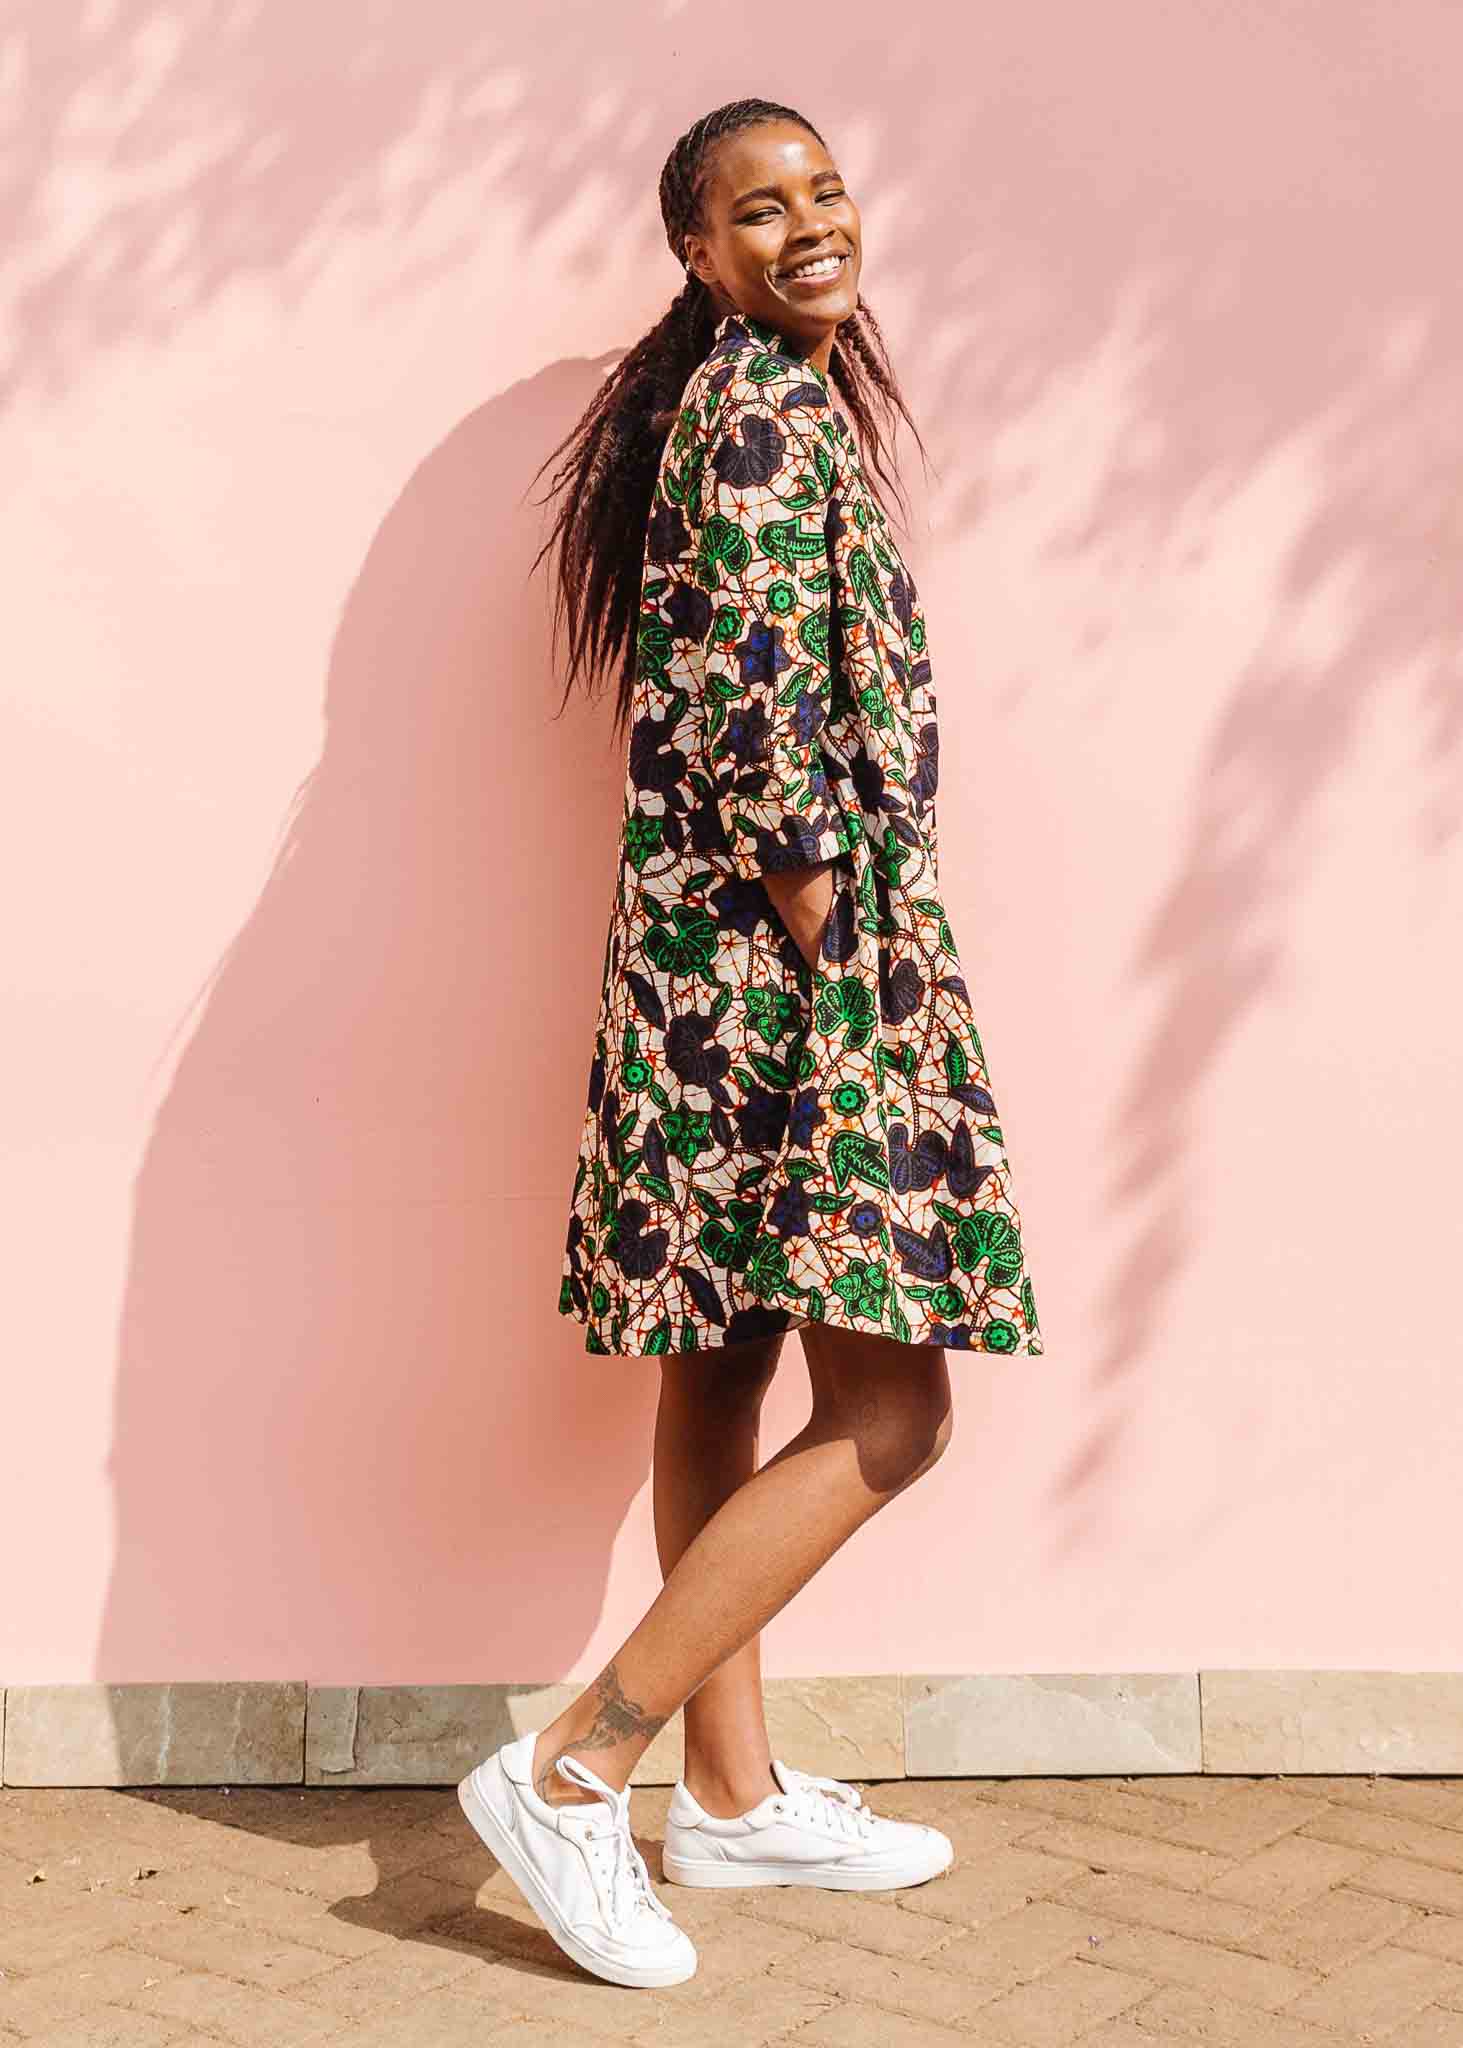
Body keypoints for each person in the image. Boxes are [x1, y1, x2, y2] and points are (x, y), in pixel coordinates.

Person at [458, 97, 1045, 1991]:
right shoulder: (764, 420)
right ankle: (576, 1765)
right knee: (896, 1415)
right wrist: (847, 960)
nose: (809, 225)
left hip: (697, 984)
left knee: (720, 1369)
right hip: (786, 980)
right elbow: (762, 717)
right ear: (697, 253)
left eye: (826, 189)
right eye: (760, 207)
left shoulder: (740, 403)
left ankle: (726, 1799)